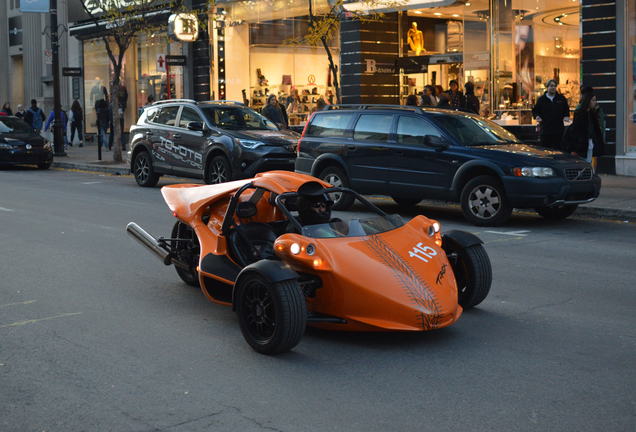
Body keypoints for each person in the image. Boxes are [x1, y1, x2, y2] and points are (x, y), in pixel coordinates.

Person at [563, 90, 604, 170]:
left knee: (588, 162)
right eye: (593, 100)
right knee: (582, 163)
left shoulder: (592, 113)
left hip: (590, 142)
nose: (595, 102)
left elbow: (595, 129)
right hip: (582, 144)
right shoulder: (580, 113)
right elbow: (576, 130)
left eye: (595, 100)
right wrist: (575, 147)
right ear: (588, 100)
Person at [532, 79, 570, 149]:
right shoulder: (541, 99)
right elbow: (535, 110)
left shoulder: (561, 98)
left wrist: (566, 116)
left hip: (558, 130)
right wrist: (537, 116)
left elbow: (566, 109)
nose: (553, 88)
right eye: (551, 86)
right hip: (546, 130)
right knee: (546, 150)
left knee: (558, 150)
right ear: (547, 87)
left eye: (555, 86)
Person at [95, 87, 110, 151]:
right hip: (105, 120)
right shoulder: (106, 101)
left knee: (102, 134)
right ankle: (101, 146)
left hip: (101, 119)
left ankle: (105, 146)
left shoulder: (98, 101)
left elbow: (96, 109)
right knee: (103, 134)